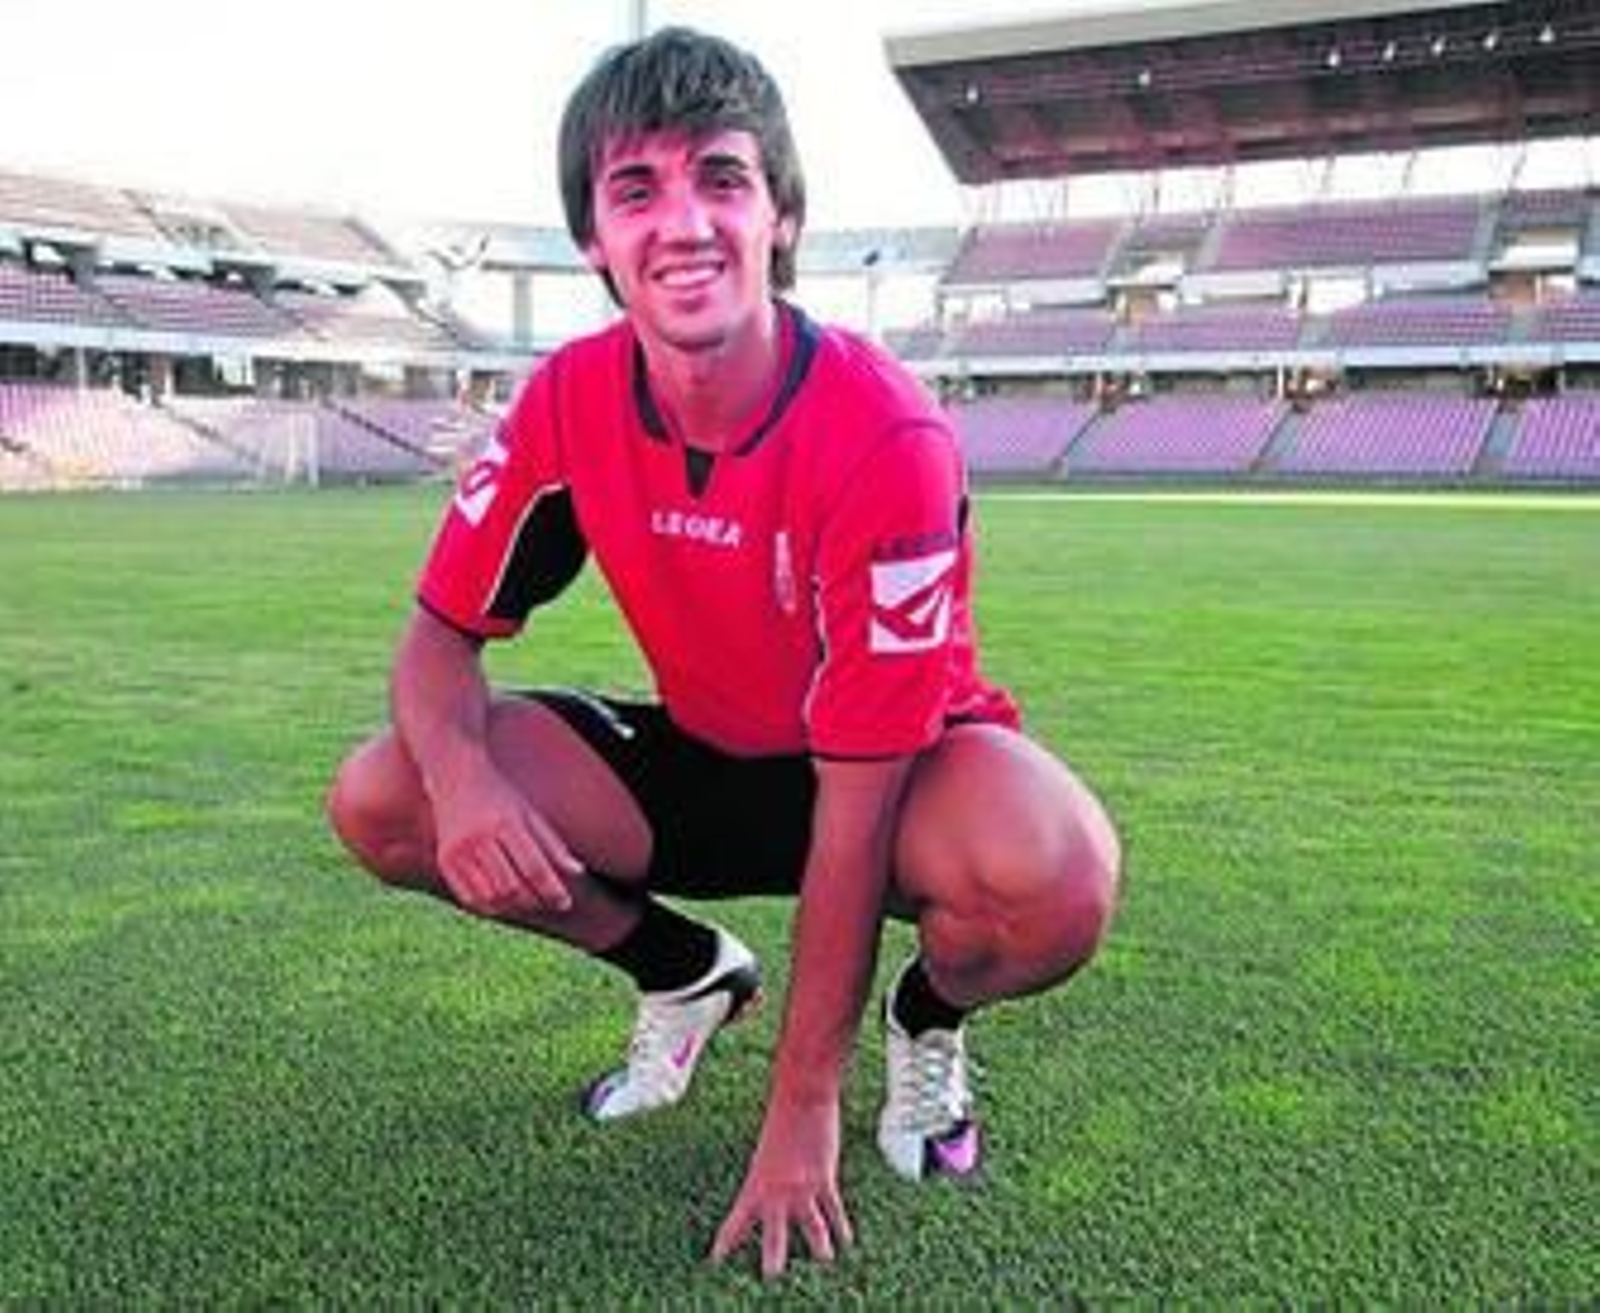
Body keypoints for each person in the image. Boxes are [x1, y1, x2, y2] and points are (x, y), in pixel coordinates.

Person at [326, 26, 1120, 1280]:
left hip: (896, 780)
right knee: (386, 792)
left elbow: (854, 808)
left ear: (780, 216)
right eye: (636, 189)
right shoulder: (567, 398)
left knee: (1057, 874)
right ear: (594, 238)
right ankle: (685, 969)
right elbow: (438, 639)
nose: (682, 222)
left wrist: (803, 1103)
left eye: (721, 178)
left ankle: (928, 1018)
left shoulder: (885, 437)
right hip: (703, 754)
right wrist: (468, 784)